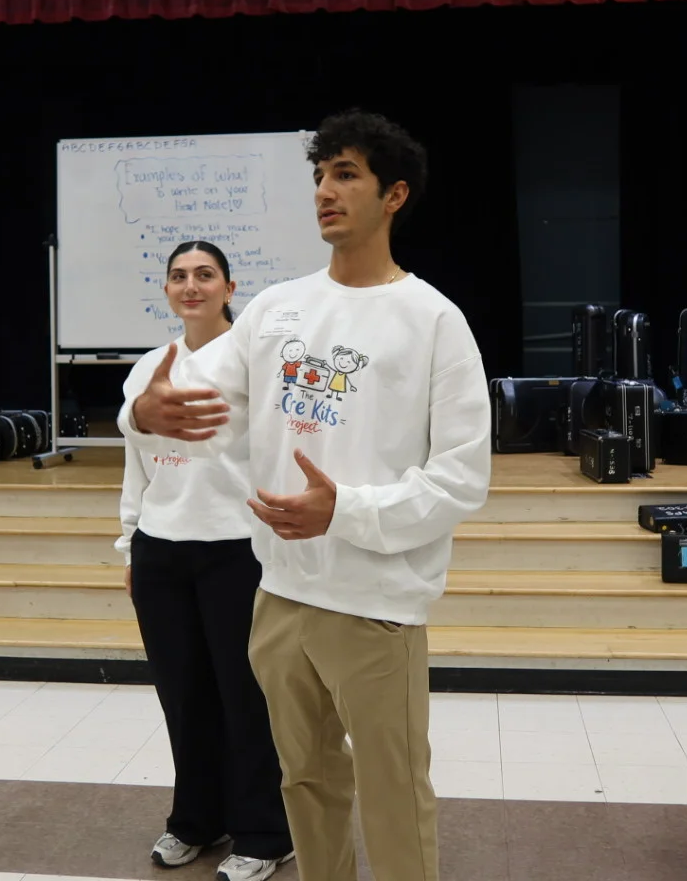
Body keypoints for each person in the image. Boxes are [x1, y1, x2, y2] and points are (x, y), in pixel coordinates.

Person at [119, 111, 492, 881]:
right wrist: (141, 414)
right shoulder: (276, 310)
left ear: (394, 195)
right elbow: (203, 402)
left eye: (346, 174)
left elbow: (461, 479)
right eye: (320, 175)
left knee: (393, 792)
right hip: (280, 595)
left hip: (377, 599)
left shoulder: (435, 321)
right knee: (305, 783)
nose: (325, 190)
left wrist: (345, 510)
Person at [117, 240, 295, 881]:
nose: (190, 285)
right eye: (178, 276)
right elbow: (135, 468)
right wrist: (130, 542)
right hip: (161, 551)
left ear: (228, 286)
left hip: (236, 551)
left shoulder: (252, 359)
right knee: (182, 696)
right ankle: (196, 820)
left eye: (204, 275)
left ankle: (265, 834)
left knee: (244, 697)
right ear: (166, 289)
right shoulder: (144, 370)